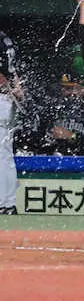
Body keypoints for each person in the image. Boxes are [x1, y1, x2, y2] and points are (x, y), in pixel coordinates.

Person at [0, 30, 21, 215]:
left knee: (2, 155)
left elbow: (3, 76)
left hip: (1, 99)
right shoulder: (5, 38)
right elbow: (12, 74)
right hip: (6, 100)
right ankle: (7, 202)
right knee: (4, 155)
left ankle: (6, 202)